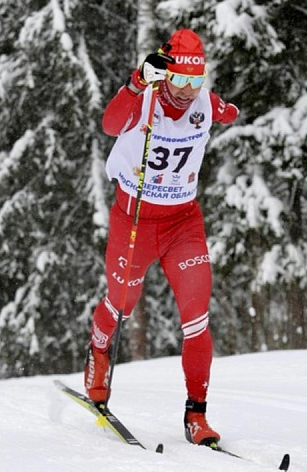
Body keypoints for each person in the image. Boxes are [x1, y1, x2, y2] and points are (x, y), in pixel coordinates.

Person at [83, 29, 239, 446]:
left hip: (183, 224)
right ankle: (99, 349)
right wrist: (137, 82)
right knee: (122, 304)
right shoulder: (144, 99)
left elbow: (227, 111)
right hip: (134, 221)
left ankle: (196, 414)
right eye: (180, 79)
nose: (187, 90)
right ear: (166, 73)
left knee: (196, 316)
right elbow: (110, 124)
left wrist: (228, 110)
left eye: (196, 80)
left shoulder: (203, 102)